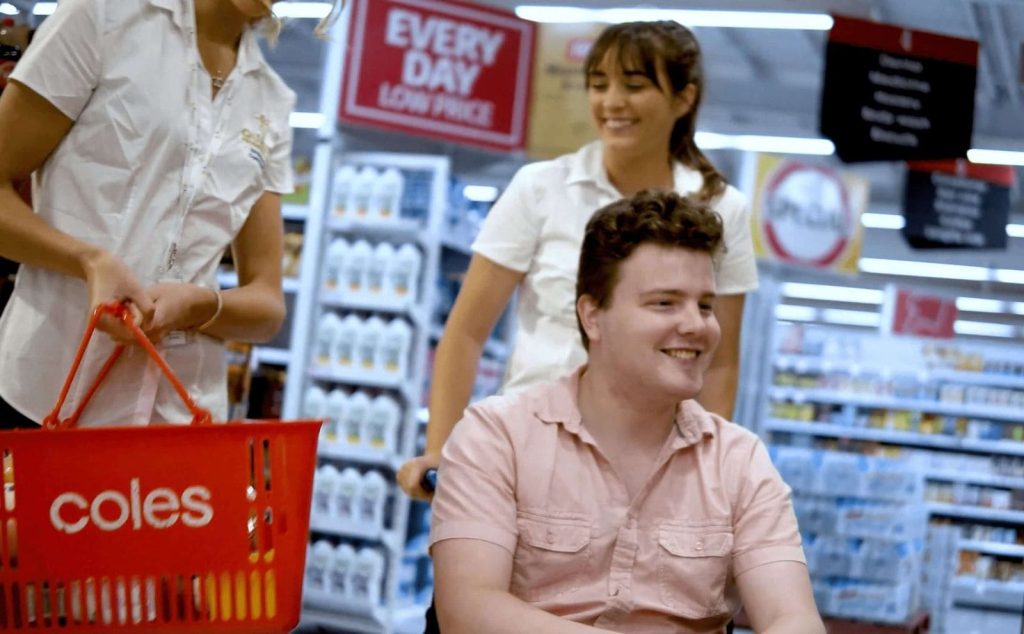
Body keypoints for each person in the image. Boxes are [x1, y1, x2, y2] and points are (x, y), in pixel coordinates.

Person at [429, 190, 823, 634]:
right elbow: (468, 611)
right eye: (665, 303)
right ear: (592, 316)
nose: (696, 325)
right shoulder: (496, 437)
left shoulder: (740, 462)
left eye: (706, 305)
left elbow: (793, 619)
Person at [399, 20, 758, 501]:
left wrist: (706, 478)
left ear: (683, 98)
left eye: (634, 85)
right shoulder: (539, 188)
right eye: (598, 84)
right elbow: (465, 332)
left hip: (648, 466)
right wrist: (441, 452)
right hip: (529, 447)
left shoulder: (721, 209)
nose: (611, 102)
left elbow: (718, 364)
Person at [0, 0, 339, 428]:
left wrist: (202, 305)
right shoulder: (102, 18)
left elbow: (267, 303)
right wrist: (89, 261)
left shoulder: (270, 100)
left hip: (176, 425)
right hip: (41, 396)